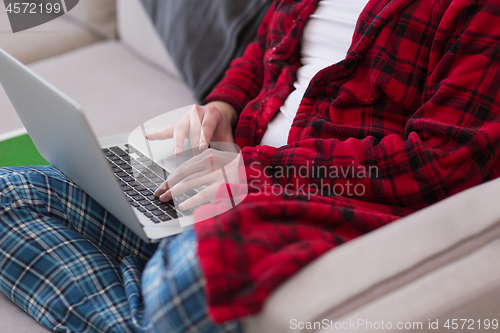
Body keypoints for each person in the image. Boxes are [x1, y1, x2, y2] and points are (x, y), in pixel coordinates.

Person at [2, 0, 500, 331]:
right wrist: (223, 107)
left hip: (318, 195)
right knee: (11, 194)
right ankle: (144, 290)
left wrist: (258, 172)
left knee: (202, 267)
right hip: (222, 167)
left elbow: (446, 161)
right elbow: (261, 51)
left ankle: (150, 280)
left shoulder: (478, 11)